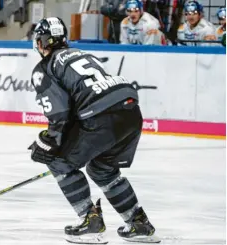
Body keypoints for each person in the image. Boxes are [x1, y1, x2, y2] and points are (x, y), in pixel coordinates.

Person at [28, 17, 160, 244]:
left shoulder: (44, 68)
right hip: (130, 112)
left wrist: (48, 142)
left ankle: (90, 221)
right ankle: (138, 222)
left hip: (101, 117)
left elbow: (59, 115)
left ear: (40, 43)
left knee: (58, 160)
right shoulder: (81, 53)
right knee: (102, 169)